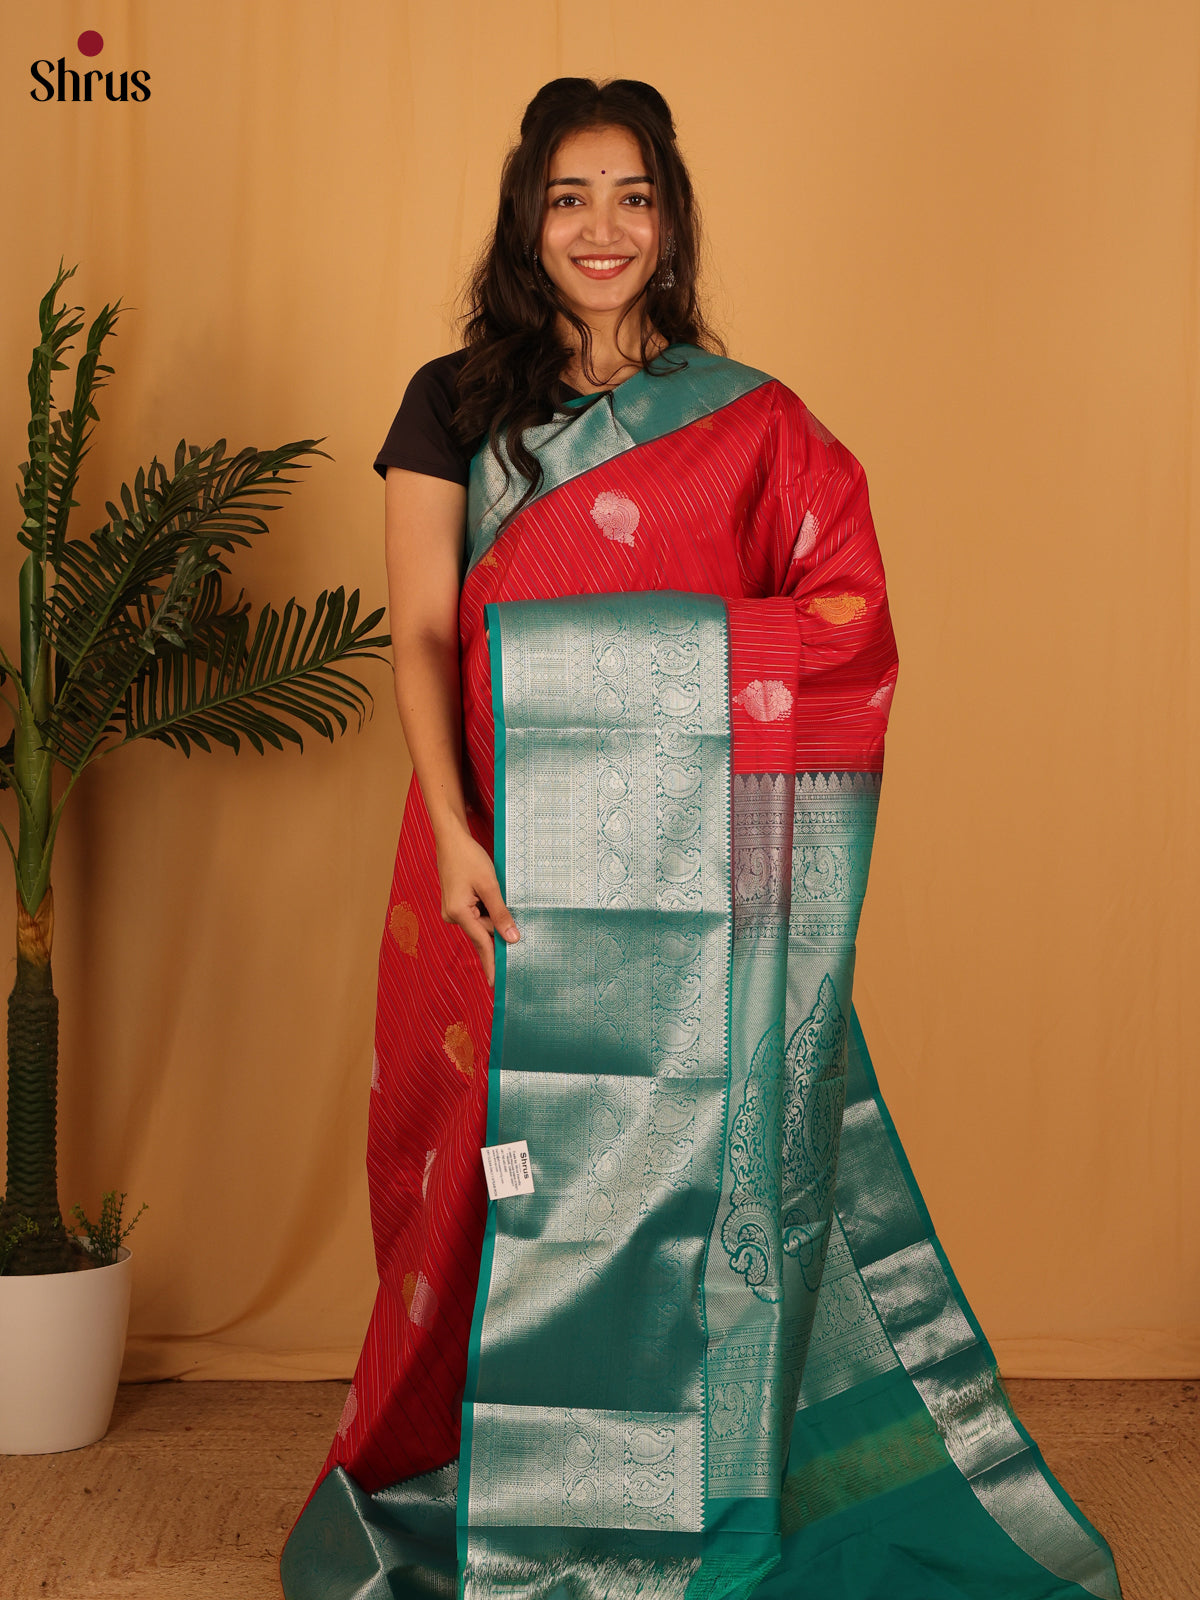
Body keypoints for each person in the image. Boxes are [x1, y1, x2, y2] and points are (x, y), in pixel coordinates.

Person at [281, 77, 1122, 1600]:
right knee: (478, 1171)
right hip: (495, 864)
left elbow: (845, 623)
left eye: (632, 198)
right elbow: (415, 636)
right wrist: (462, 836)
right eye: (568, 198)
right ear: (526, 219)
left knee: (699, 1179)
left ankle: (681, 1479)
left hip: (696, 887)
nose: (601, 230)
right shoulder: (453, 402)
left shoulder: (748, 426)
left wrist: (664, 671)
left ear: (668, 222)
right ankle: (483, 1474)